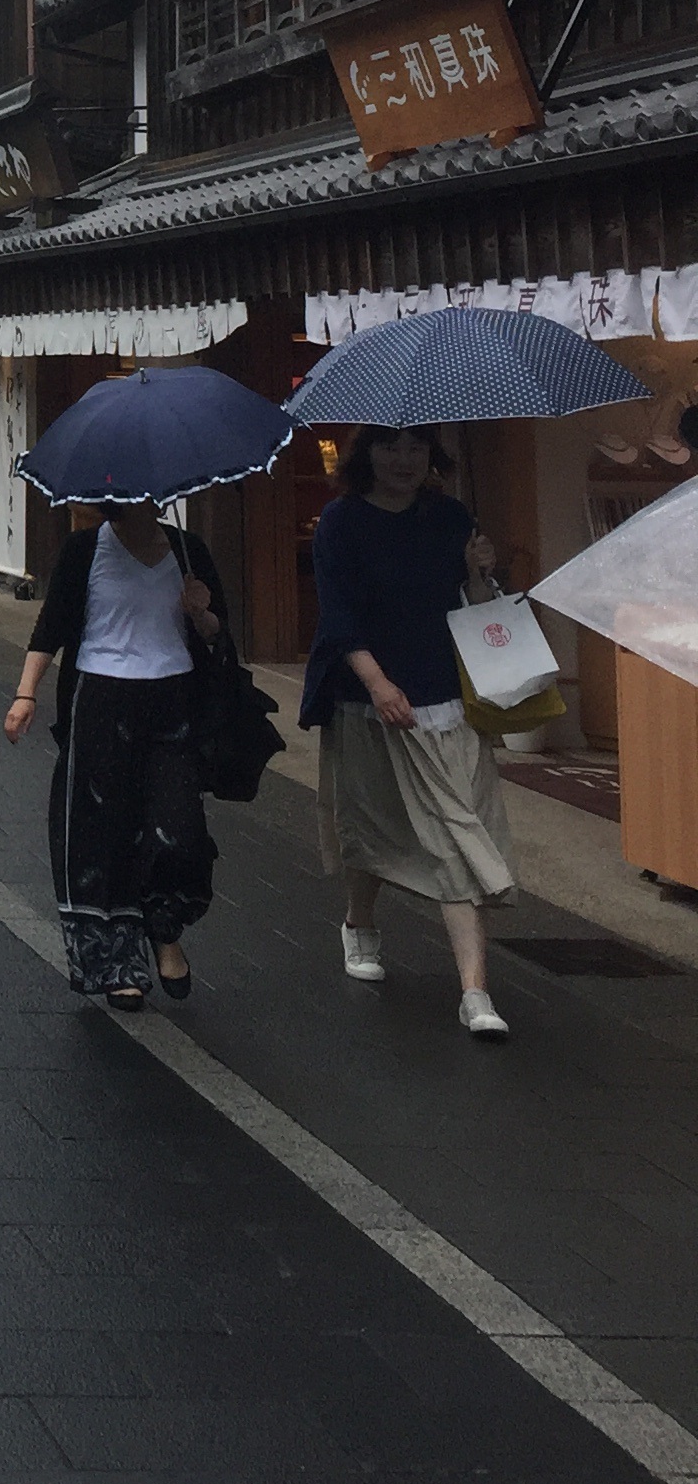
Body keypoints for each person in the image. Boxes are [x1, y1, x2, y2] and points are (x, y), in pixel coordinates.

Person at [302, 425, 514, 1038]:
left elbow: (476, 608)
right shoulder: (341, 522)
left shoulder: (451, 518)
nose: (403, 460)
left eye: (416, 448)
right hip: (368, 700)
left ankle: (474, 992)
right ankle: (358, 922)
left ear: (432, 456)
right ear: (366, 455)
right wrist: (377, 683)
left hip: (445, 699)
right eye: (390, 448)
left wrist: (480, 571)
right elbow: (338, 615)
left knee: (455, 835)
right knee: (372, 827)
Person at [6, 501, 230, 1008]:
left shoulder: (188, 550)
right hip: (99, 701)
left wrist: (201, 612)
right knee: (101, 833)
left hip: (173, 701)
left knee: (178, 830)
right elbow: (52, 626)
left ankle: (164, 929)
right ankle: (116, 963)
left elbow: (220, 635)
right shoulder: (84, 549)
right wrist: (25, 694)